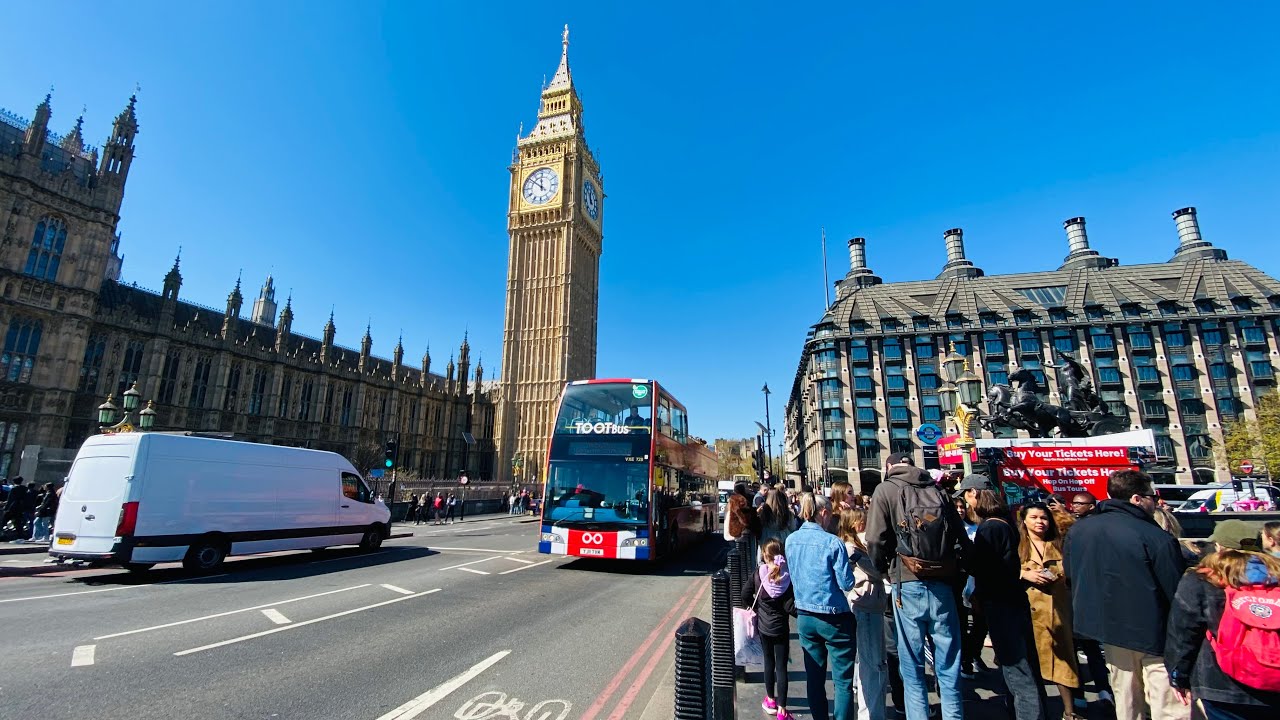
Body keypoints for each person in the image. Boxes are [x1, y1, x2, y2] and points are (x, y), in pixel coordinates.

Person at [1063, 469, 1187, 720]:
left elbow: (1071, 575)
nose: (1156, 501)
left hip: (1108, 629)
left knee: (1126, 700)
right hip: (1156, 633)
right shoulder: (1155, 537)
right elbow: (1176, 592)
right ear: (1137, 499)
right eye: (1152, 495)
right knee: (1169, 704)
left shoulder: (1080, 530)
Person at [866, 452, 970, 720]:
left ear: (889, 467)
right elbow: (960, 537)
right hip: (943, 582)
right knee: (948, 663)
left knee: (912, 665)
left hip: (906, 580)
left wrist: (883, 570)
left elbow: (875, 539)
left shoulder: (885, 489)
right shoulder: (937, 490)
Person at [1165, 521, 1280, 720]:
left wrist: (1179, 677)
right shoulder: (1275, 576)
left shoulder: (1202, 580)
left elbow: (1184, 633)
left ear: (1218, 546)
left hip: (1220, 684)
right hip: (1275, 679)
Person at [963, 479, 1046, 720]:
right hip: (1012, 599)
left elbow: (984, 566)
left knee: (1016, 668)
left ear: (974, 494)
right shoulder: (1004, 522)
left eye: (967, 497)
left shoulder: (990, 527)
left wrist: (965, 557)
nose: (967, 504)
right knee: (1024, 665)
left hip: (1001, 603)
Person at [785, 492, 857, 720]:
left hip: (805, 616)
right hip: (834, 618)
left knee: (814, 678)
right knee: (842, 682)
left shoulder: (791, 540)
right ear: (823, 513)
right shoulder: (833, 542)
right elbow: (847, 583)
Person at [1018, 502, 1081, 718]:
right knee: (1031, 664)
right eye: (1034, 517)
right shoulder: (1018, 545)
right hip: (1028, 611)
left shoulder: (1059, 544)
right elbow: (1003, 569)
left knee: (1064, 662)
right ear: (1024, 520)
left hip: (1057, 611)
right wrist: (1024, 574)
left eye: (1043, 518)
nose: (1039, 522)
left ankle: (1069, 711)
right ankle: (1036, 710)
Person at [742, 537, 799, 720]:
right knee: (781, 667)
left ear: (765, 557)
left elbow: (745, 594)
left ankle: (770, 700)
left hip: (764, 627)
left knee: (769, 663)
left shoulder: (758, 574)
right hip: (781, 628)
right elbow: (791, 607)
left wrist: (756, 607)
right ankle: (782, 710)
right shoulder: (787, 578)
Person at [839, 508, 887, 720]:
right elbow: (879, 570)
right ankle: (871, 714)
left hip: (866, 602)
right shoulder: (854, 547)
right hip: (865, 603)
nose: (866, 524)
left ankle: (870, 711)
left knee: (868, 660)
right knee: (873, 662)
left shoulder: (853, 545)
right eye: (862, 521)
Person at [758, 488, 797, 559]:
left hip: (767, 540)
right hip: (783, 540)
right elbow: (793, 528)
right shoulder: (787, 513)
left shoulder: (763, 513)